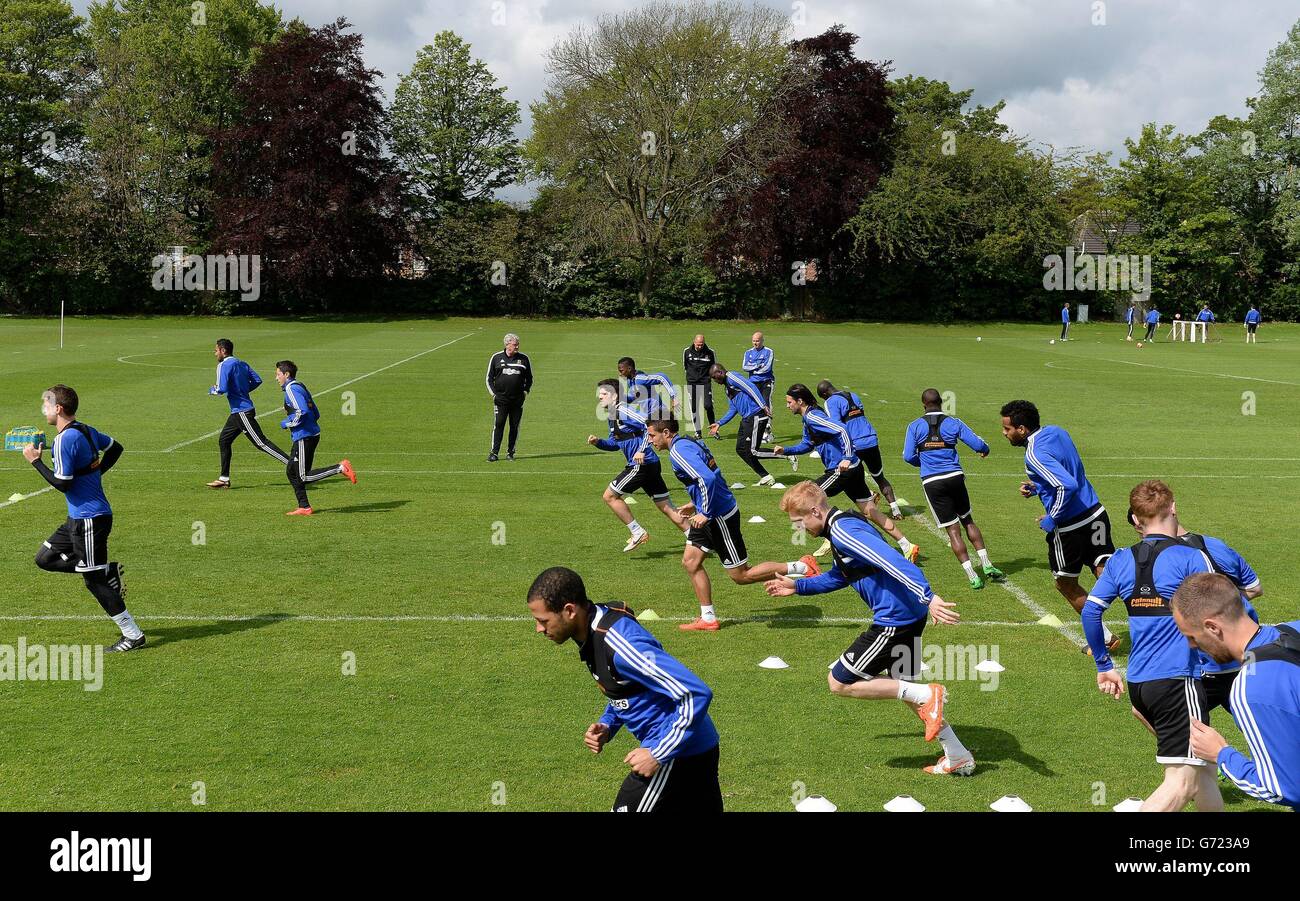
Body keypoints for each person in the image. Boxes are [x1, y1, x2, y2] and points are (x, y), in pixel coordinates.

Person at [766, 482, 971, 775]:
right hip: (909, 616)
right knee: (908, 690)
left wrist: (929, 596)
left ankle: (930, 696)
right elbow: (841, 575)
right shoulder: (844, 524)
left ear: (814, 511)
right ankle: (958, 754)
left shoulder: (843, 531)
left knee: (839, 682)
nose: (799, 529)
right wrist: (799, 587)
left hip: (895, 620)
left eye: (799, 522)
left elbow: (892, 561)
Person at [526, 566, 724, 812]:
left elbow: (695, 693)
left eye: (543, 620)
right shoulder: (592, 630)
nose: (539, 629)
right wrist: (608, 724)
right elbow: (628, 689)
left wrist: (658, 754)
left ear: (569, 611)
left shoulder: (621, 645)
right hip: (693, 747)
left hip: (678, 755)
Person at [1083, 480, 1221, 811]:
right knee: (1181, 783)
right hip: (1177, 681)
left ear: (1136, 519)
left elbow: (1091, 611)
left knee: (1204, 772)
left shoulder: (1120, 560)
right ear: (1173, 508)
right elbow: (1220, 613)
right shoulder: (1192, 558)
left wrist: (1104, 666)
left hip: (1140, 683)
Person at [645, 418, 819, 632]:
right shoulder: (688, 442)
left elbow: (707, 479)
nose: (650, 440)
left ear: (666, 432)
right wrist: (695, 503)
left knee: (741, 575)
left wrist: (706, 512)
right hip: (708, 512)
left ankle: (802, 567)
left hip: (718, 517)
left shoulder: (679, 452)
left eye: (652, 435)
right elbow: (714, 475)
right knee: (690, 562)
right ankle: (708, 619)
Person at [24, 385, 144, 652]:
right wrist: (96, 472)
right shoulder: (85, 430)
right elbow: (115, 448)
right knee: (44, 558)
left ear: (58, 408)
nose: (43, 409)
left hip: (89, 520)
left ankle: (132, 634)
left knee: (93, 581)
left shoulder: (66, 439)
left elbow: (63, 483)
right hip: (78, 519)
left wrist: (35, 461)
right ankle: (105, 569)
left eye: (45, 404)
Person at [1172, 572, 1300, 810]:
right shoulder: (1293, 630)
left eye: (1191, 636)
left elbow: (1283, 788)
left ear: (1212, 627)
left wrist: (1221, 754)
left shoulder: (1250, 690)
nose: (1191, 645)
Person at [1000, 399, 1119, 652]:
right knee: (1107, 571)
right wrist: (1038, 487)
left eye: (1007, 429)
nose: (1004, 433)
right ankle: (1157, 615)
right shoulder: (1057, 431)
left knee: (1065, 583)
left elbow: (1067, 485)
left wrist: (1052, 517)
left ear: (1021, 429)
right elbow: (1068, 470)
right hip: (1095, 512)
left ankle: (1106, 638)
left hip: (1070, 527)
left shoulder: (1033, 454)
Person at [773, 385, 919, 563]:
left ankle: (832, 534)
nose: (787, 406)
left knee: (805, 498)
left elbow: (842, 429)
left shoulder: (813, 416)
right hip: (852, 468)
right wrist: (785, 451)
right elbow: (807, 444)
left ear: (800, 401)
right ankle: (907, 546)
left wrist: (847, 456)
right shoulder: (807, 418)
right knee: (871, 511)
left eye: (789, 402)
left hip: (843, 470)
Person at [902, 389, 1004, 588]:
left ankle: (972, 576)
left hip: (932, 481)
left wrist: (923, 463)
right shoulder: (953, 423)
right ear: (941, 403)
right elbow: (978, 443)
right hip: (954, 477)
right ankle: (987, 564)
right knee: (967, 520)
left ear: (923, 404)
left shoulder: (914, 426)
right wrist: (984, 450)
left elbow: (907, 456)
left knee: (953, 530)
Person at [588, 379, 687, 552]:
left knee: (609, 496)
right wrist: (598, 443)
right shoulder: (613, 415)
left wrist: (641, 449)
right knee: (667, 507)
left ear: (615, 395)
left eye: (604, 394)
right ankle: (698, 538)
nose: (600, 398)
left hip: (641, 464)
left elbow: (647, 425)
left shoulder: (622, 410)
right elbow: (615, 443)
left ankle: (637, 532)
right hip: (649, 465)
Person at [274, 361, 357, 516]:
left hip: (304, 436)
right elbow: (315, 411)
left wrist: (287, 423)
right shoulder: (300, 386)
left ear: (286, 375)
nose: (276, 377)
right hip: (308, 434)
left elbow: (302, 411)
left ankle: (340, 468)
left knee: (303, 476)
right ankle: (304, 507)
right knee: (291, 471)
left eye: (278, 374)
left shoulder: (291, 389)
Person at [207, 338, 289, 488]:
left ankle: (293, 465)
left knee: (261, 443)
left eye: (216, 350)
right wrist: (243, 390)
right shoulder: (242, 363)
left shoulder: (223, 365)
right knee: (224, 440)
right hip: (238, 412)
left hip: (242, 412)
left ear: (223, 351)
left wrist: (212, 390)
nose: (215, 353)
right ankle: (224, 478)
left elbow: (221, 389)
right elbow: (257, 380)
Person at [816, 380, 902, 520]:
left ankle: (867, 498)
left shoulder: (830, 401)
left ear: (825, 394)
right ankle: (895, 510)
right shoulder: (853, 395)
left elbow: (835, 426)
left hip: (855, 444)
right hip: (871, 439)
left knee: (846, 476)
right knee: (879, 477)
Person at [708, 363, 784, 486]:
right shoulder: (727, 388)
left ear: (720, 373)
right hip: (747, 419)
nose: (714, 381)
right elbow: (733, 409)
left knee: (752, 451)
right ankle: (766, 476)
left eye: (714, 377)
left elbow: (751, 387)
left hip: (756, 415)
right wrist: (719, 423)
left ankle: (787, 453)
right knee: (741, 449)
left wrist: (763, 405)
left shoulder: (732, 377)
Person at [485, 333, 533, 462]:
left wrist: (525, 392)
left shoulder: (524, 359)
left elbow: (529, 378)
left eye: (518, 344)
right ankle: (494, 453)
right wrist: (494, 394)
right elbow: (489, 378)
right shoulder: (496, 358)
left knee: (514, 426)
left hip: (517, 399)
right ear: (507, 344)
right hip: (501, 399)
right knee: (499, 424)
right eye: (514, 344)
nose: (517, 346)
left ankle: (510, 453)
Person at [742, 331, 775, 441]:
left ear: (762, 341)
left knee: (766, 401)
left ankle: (767, 427)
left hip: (766, 381)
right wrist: (757, 366)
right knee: (755, 405)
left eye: (757, 341)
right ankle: (756, 429)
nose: (755, 343)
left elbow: (767, 368)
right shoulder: (748, 352)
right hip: (753, 382)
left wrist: (754, 369)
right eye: (754, 341)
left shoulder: (769, 352)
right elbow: (745, 367)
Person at [682, 334, 716, 439]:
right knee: (694, 408)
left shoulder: (710, 352)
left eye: (701, 345)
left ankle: (714, 429)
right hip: (692, 383)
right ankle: (698, 433)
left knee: (708, 405)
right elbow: (685, 366)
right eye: (698, 345)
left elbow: (714, 367)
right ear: (694, 342)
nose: (699, 347)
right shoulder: (687, 352)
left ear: (704, 343)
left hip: (705, 382)